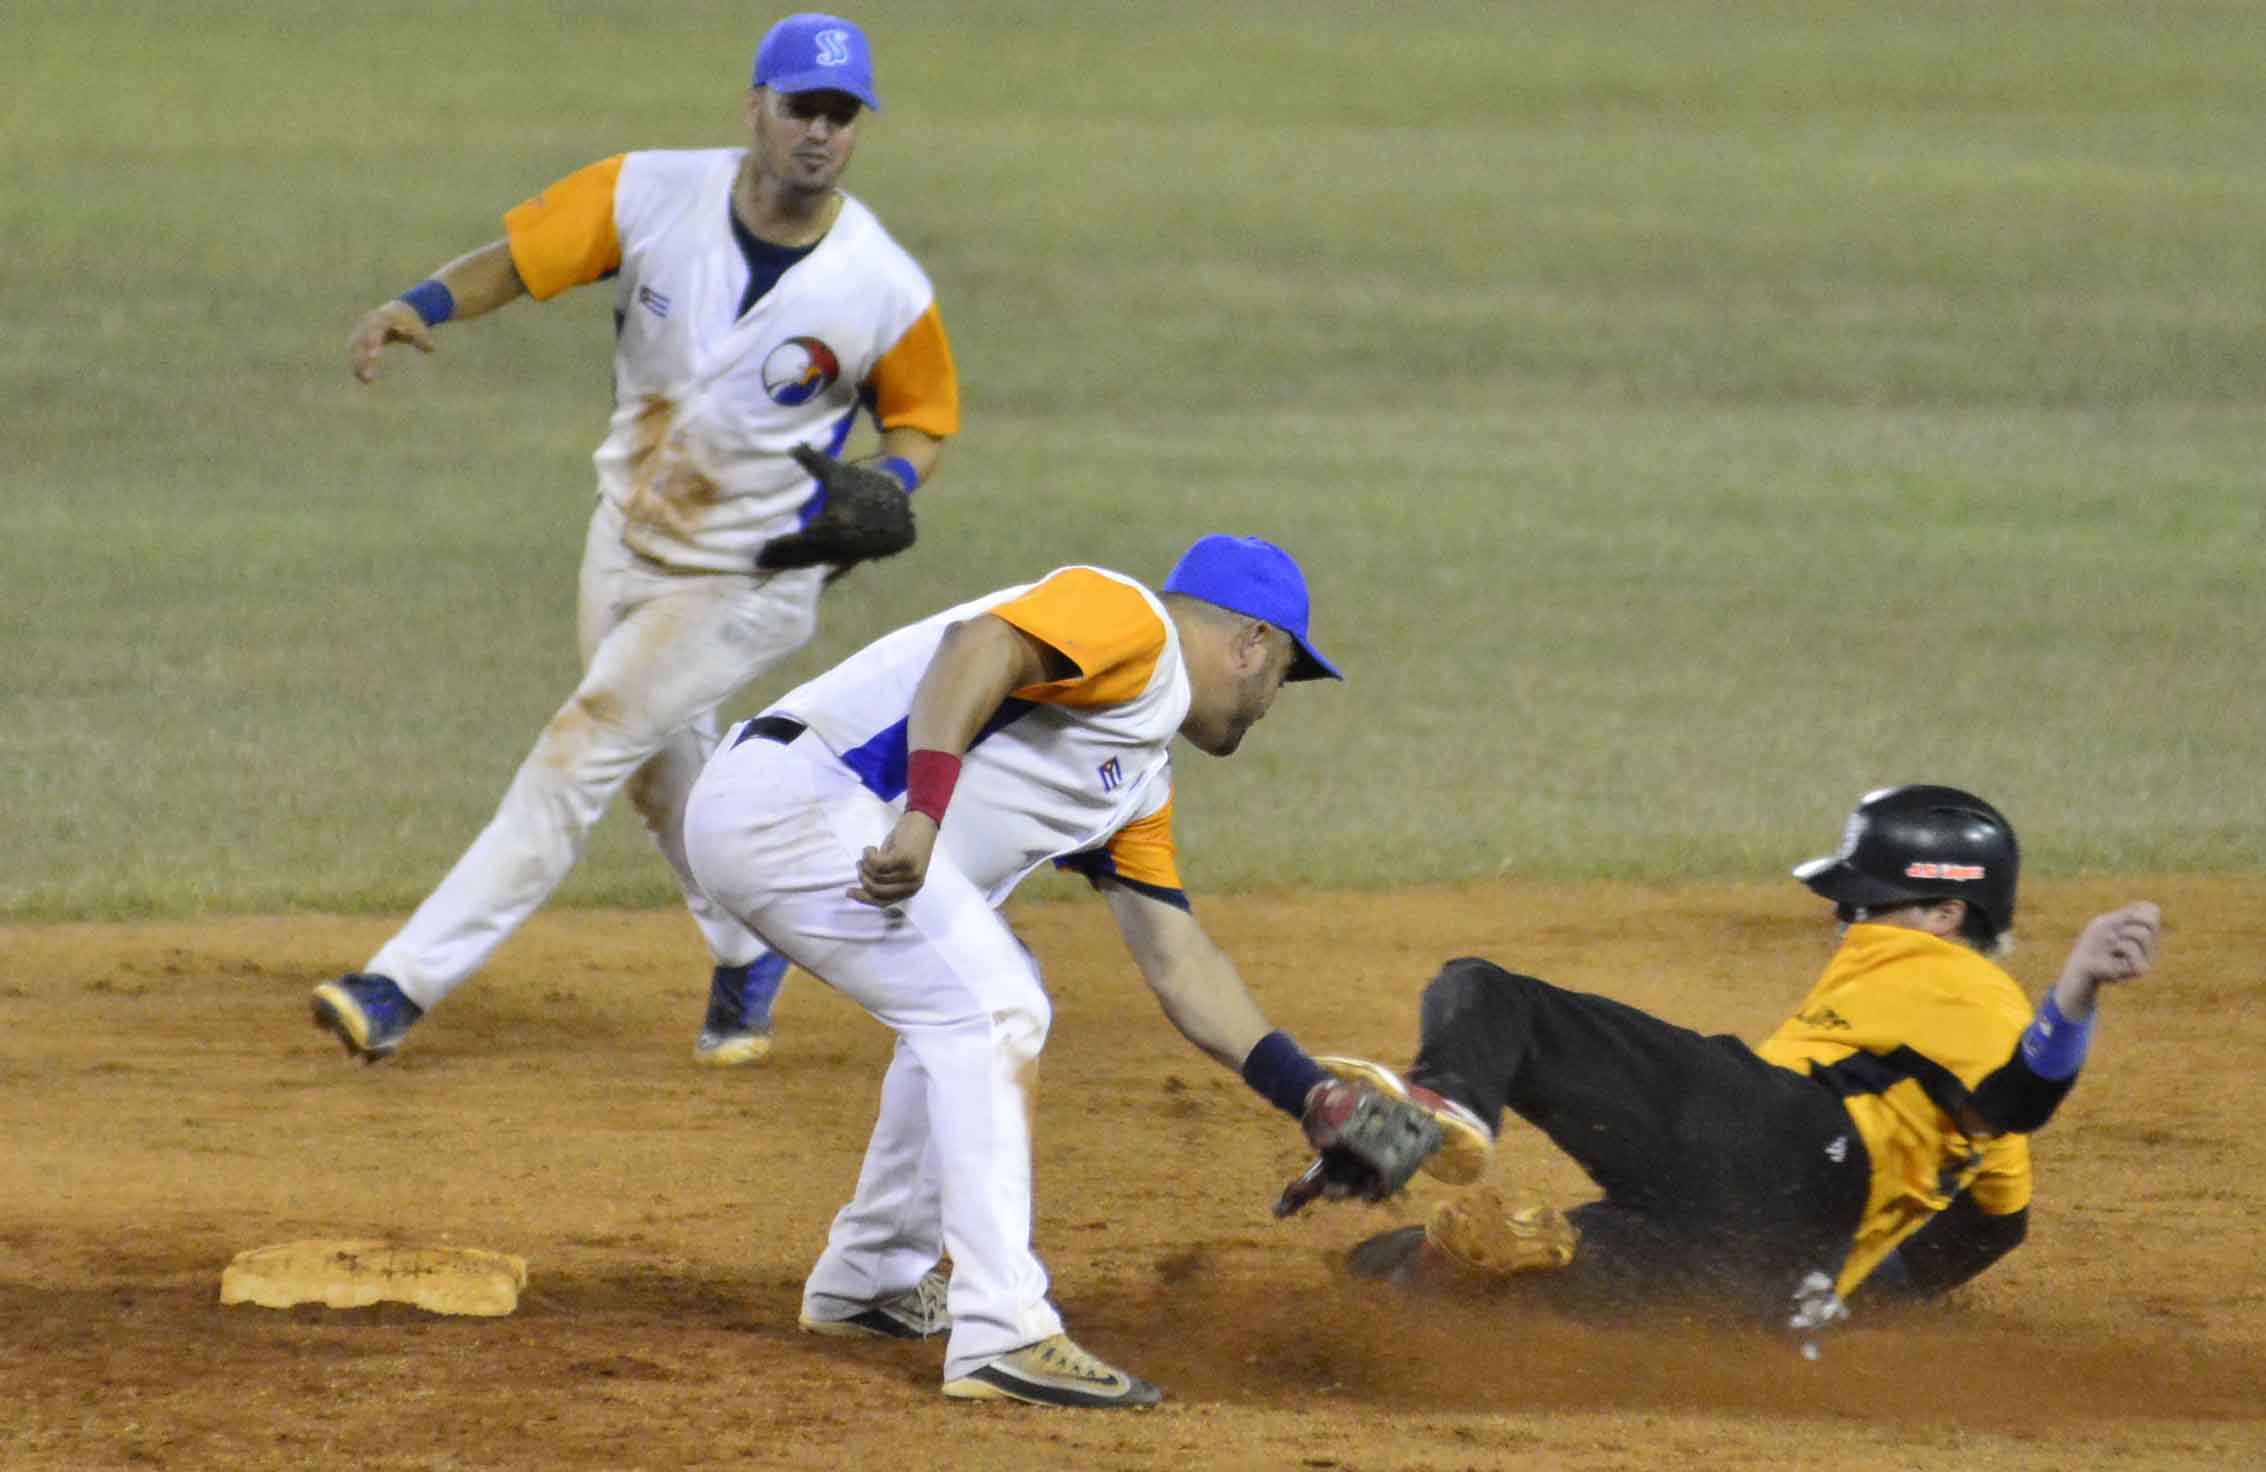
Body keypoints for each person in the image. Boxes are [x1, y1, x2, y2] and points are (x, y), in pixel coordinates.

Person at [680, 534, 1486, 1408]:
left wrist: (1309, 1095)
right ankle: (1004, 1333)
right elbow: (977, 648)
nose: (1270, 702)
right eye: (1281, 673)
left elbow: (1179, 961)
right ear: (1249, 641)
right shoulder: (1130, 624)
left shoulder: (1137, 779)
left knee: (972, 996)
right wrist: (923, 814)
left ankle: (871, 1280)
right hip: (794, 800)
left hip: (811, 823)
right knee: (995, 1004)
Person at [313, 13, 959, 1068]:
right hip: (623, 539)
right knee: (667, 779)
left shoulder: (880, 281)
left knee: (580, 747)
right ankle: (751, 950)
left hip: (752, 577)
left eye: (841, 116)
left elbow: (926, 414)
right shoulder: (649, 191)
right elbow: (522, 258)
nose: (820, 132)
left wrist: (888, 478)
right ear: (755, 105)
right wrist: (414, 303)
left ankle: (399, 980)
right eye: (802, 107)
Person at [1307, 785, 2162, 1340]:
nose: (1846, 921)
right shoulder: (1923, 1027)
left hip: (1780, 1137)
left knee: (1487, 994)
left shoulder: (1973, 991)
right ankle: (1427, 1291)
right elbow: (1992, 1224)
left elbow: (2019, 1099)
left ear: (1946, 912)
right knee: (1437, 1270)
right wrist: (1837, 1295)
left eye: (1867, 902)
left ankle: (1449, 1109)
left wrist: (2074, 998)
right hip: (1758, 1270)